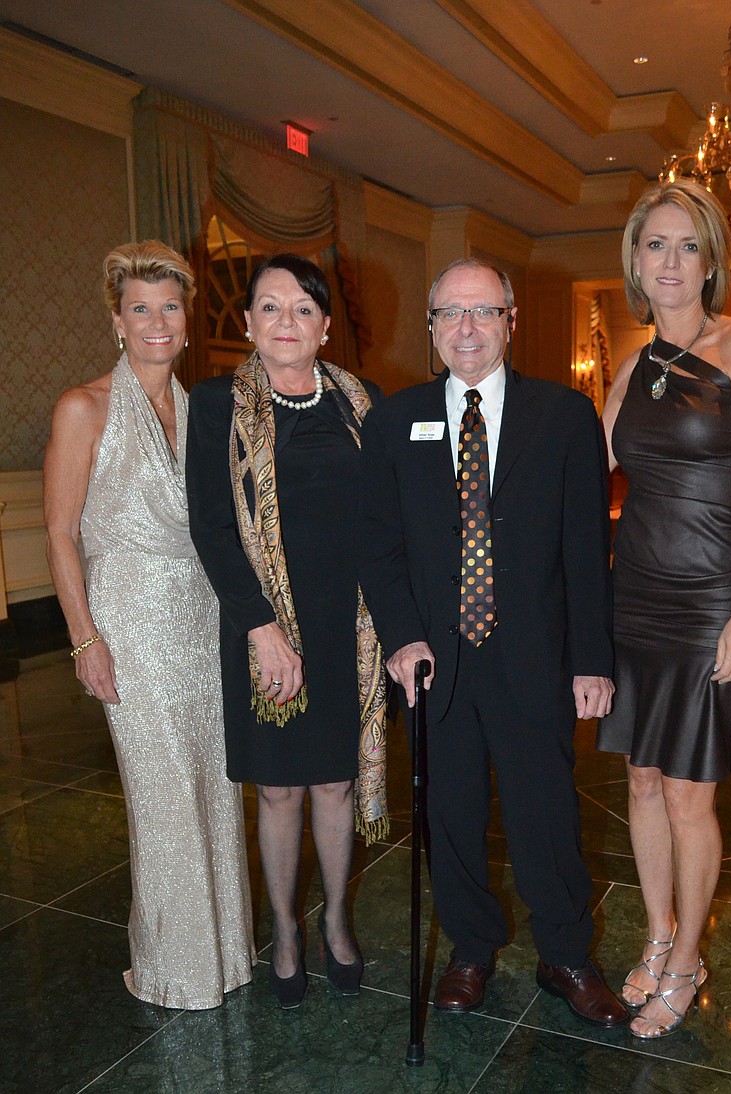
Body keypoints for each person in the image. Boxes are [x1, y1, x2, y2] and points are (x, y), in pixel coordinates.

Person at [358, 258, 627, 1027]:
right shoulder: (395, 420)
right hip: (435, 663)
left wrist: (592, 662)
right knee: (449, 813)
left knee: (546, 812)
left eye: (483, 312)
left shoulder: (565, 416)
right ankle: (471, 948)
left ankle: (567, 954)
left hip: (535, 657)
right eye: (450, 313)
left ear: (511, 318)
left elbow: (585, 548)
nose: (467, 329)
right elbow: (379, 545)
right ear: (432, 325)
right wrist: (402, 637)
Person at [597, 179, 731, 1039]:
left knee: (686, 795)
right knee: (639, 775)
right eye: (654, 245)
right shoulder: (632, 365)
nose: (670, 263)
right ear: (635, 260)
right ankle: (657, 933)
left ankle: (687, 960)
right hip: (634, 591)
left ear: (710, 260)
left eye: (687, 246)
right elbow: (586, 468)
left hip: (713, 592)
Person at [43, 241, 256, 1009]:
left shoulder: (203, 412)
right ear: (117, 322)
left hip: (202, 620)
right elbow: (62, 532)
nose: (157, 321)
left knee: (211, 784)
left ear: (187, 320)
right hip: (130, 621)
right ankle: (174, 968)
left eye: (170, 306)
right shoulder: (84, 406)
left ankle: (225, 955)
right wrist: (84, 638)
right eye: (141, 308)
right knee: (162, 796)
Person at [186, 253, 386, 1011]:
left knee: (334, 783)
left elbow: (384, 516)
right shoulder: (217, 404)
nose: (286, 323)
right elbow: (211, 524)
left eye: (303, 309)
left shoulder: (361, 402)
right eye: (270, 308)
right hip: (261, 622)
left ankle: (335, 918)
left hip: (347, 625)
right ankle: (286, 929)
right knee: (277, 791)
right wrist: (262, 629)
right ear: (247, 324)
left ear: (326, 326)